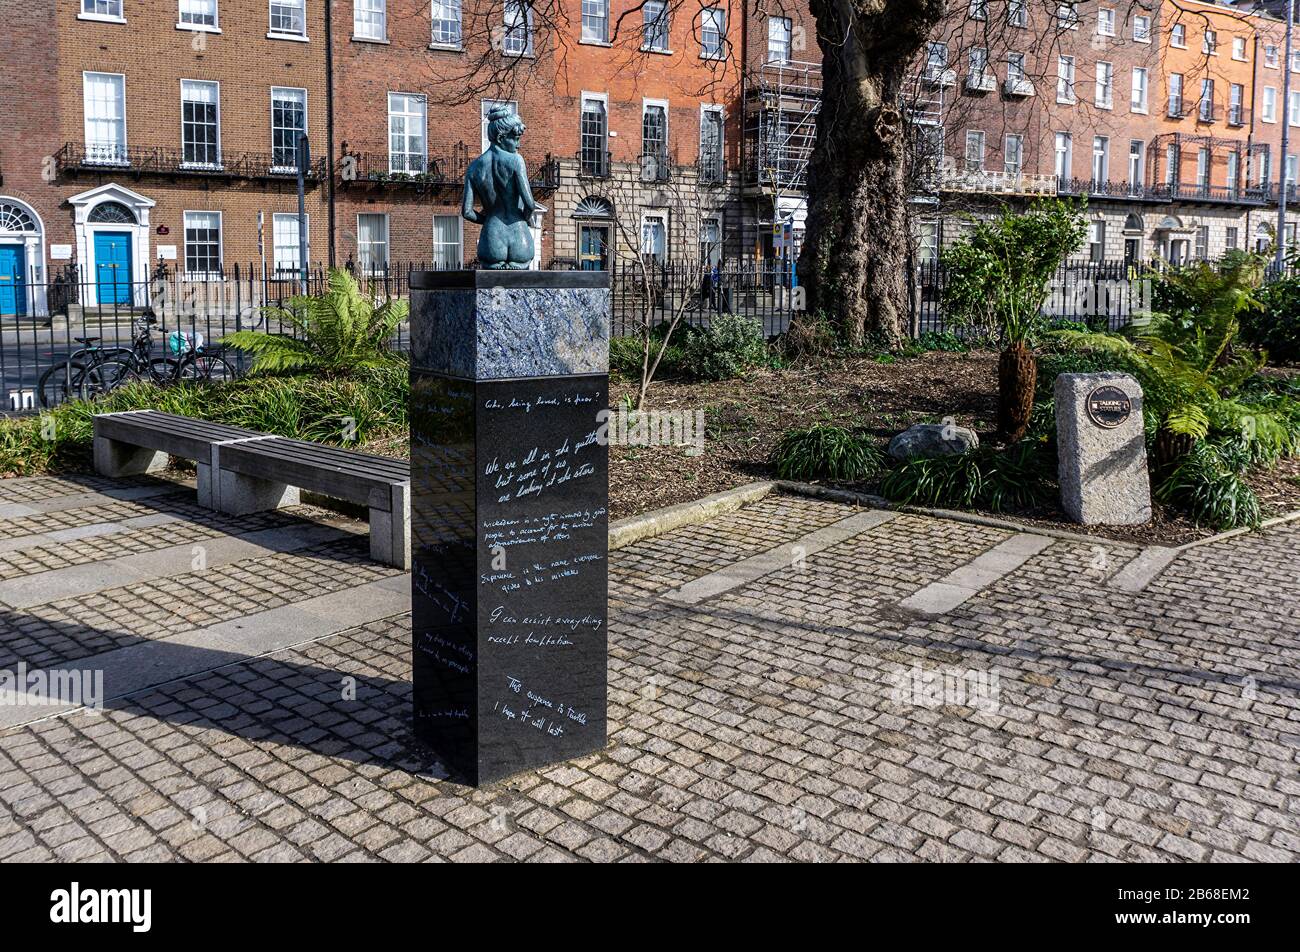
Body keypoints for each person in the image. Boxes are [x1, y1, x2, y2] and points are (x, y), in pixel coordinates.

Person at [462, 106, 536, 269]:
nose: (518, 144)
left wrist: (488, 220)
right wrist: (525, 218)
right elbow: (530, 204)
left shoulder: (474, 167)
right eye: (515, 138)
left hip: (491, 241)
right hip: (519, 240)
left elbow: (466, 212)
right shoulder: (516, 160)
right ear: (501, 137)